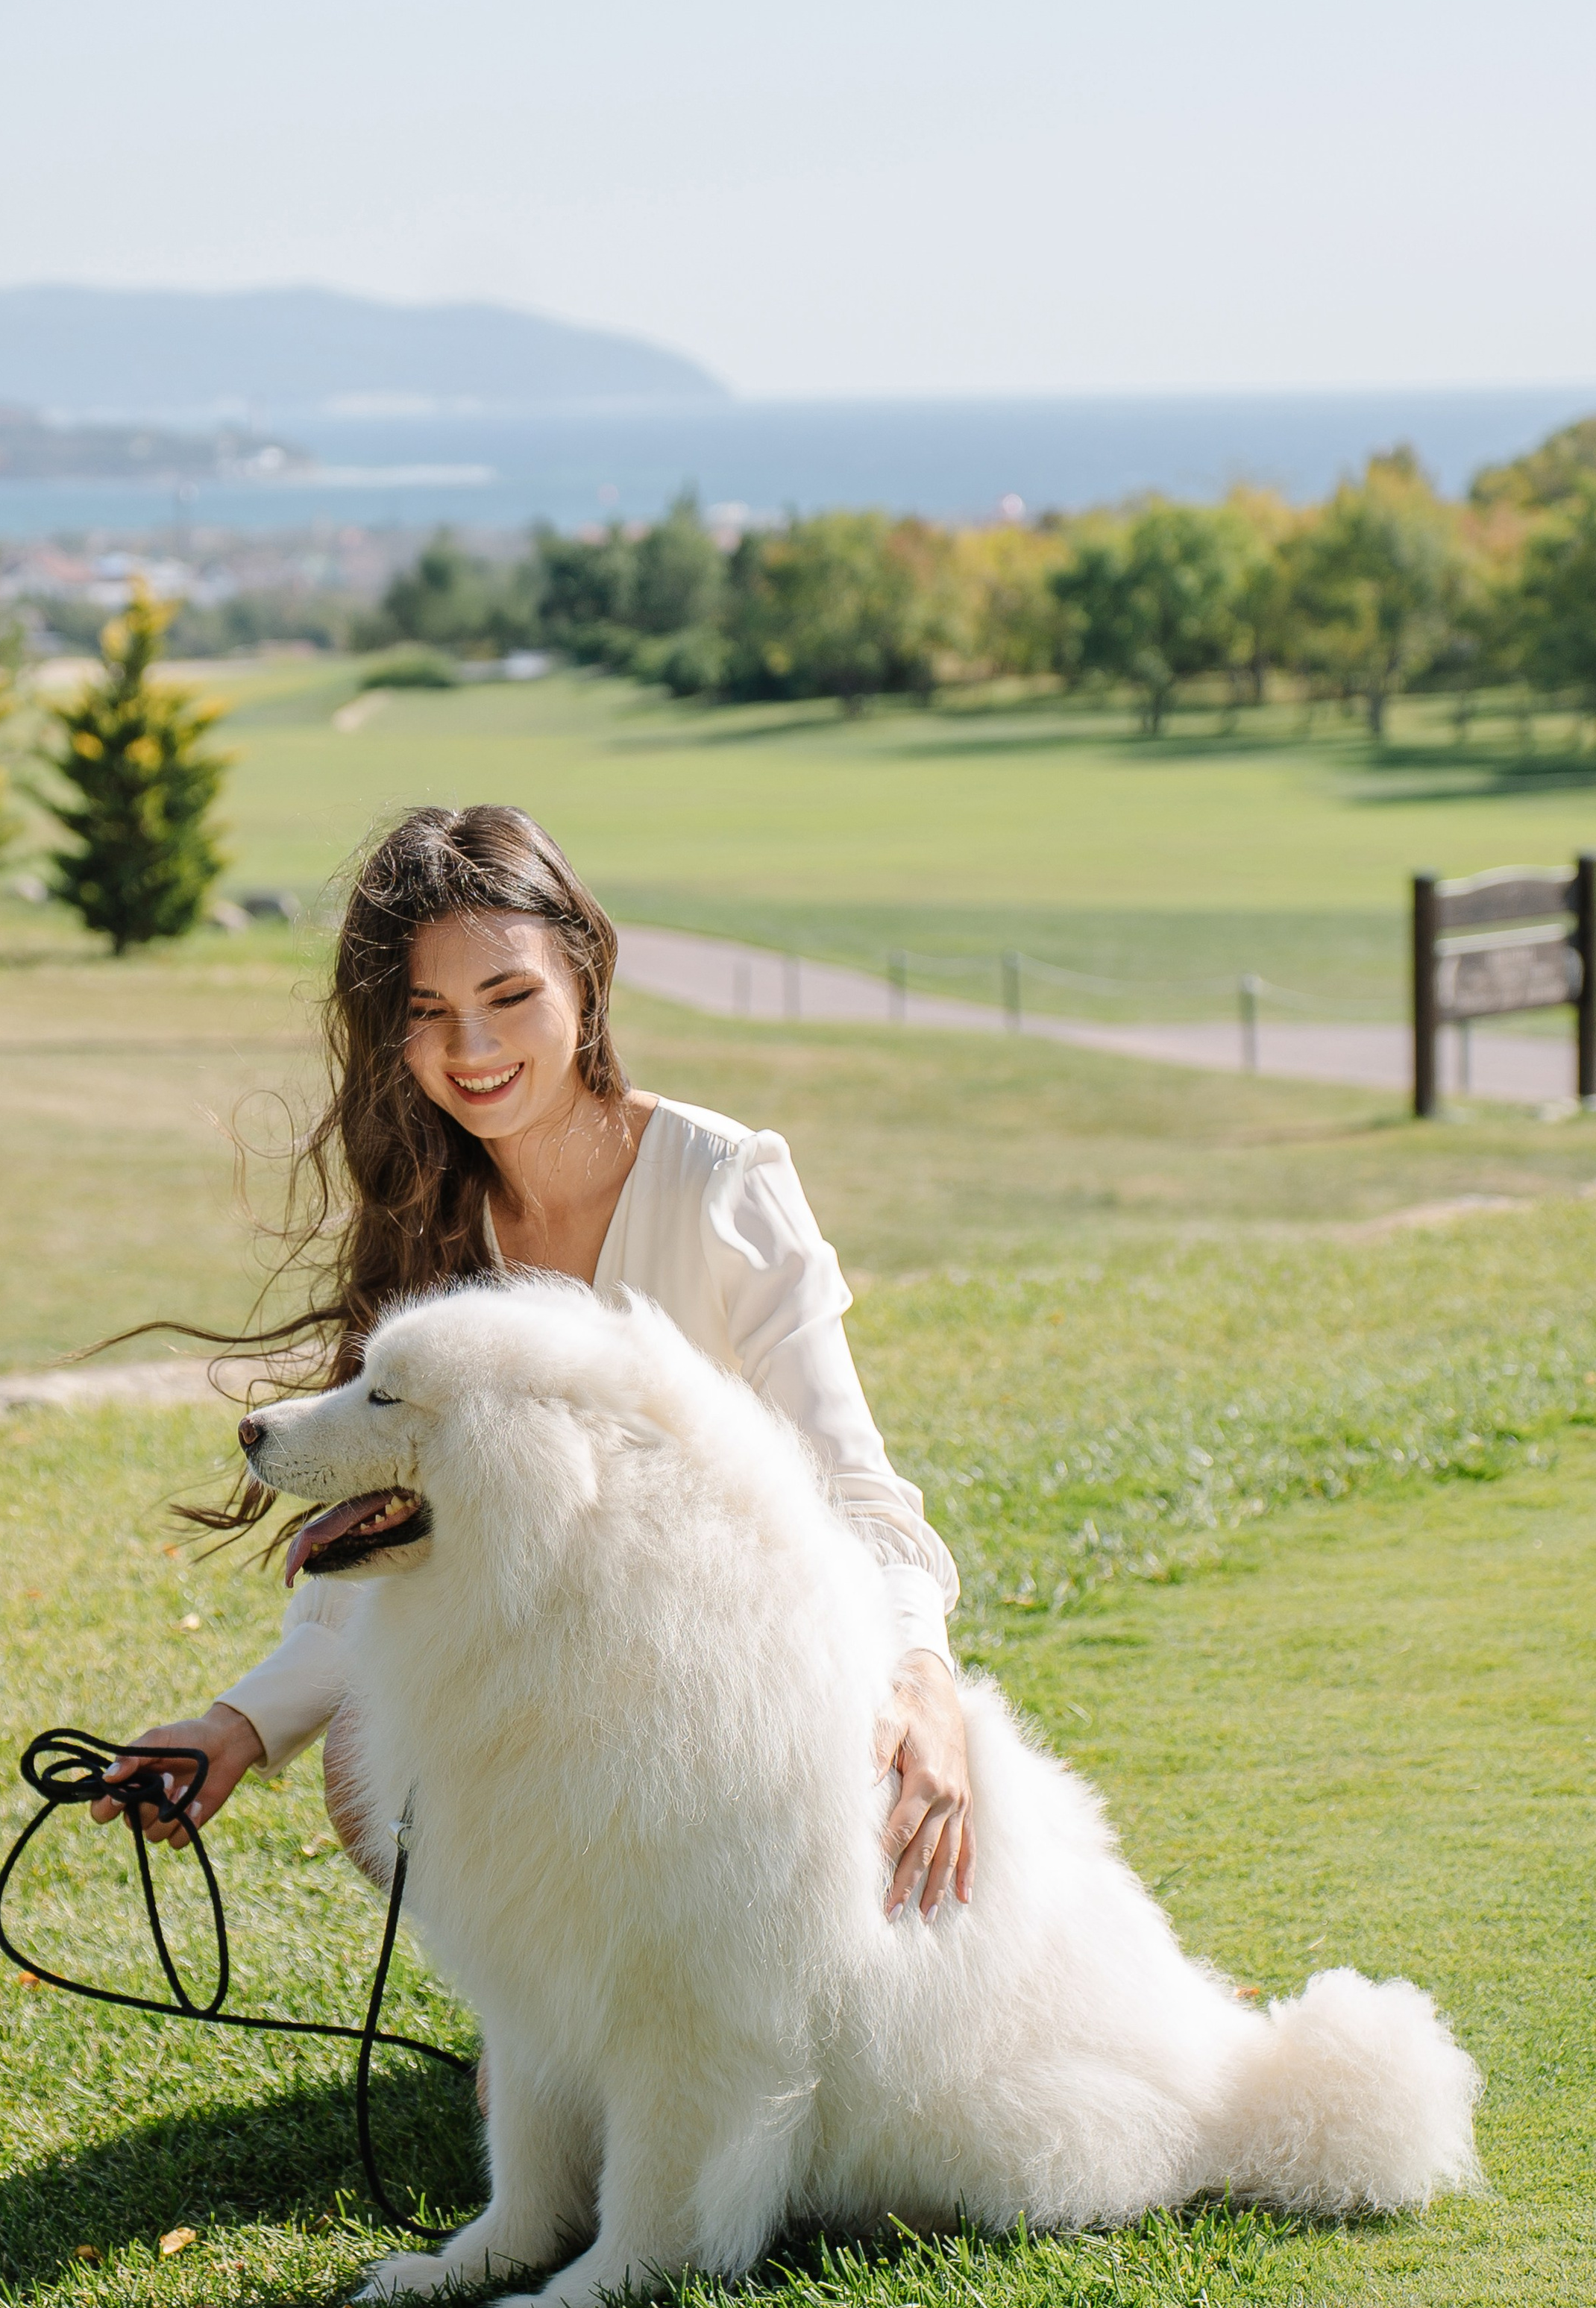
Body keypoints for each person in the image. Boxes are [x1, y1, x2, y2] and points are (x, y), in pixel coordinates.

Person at [94, 805, 972, 1917]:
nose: (471, 1050)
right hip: (556, 1679)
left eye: (509, 996)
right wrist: (238, 1726)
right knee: (368, 1762)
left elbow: (852, 1482)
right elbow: (397, 1540)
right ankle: (560, 1998)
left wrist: (923, 1678)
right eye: (428, 1013)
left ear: (585, 978)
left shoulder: (722, 1181)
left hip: (731, 1669)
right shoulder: (432, 1216)